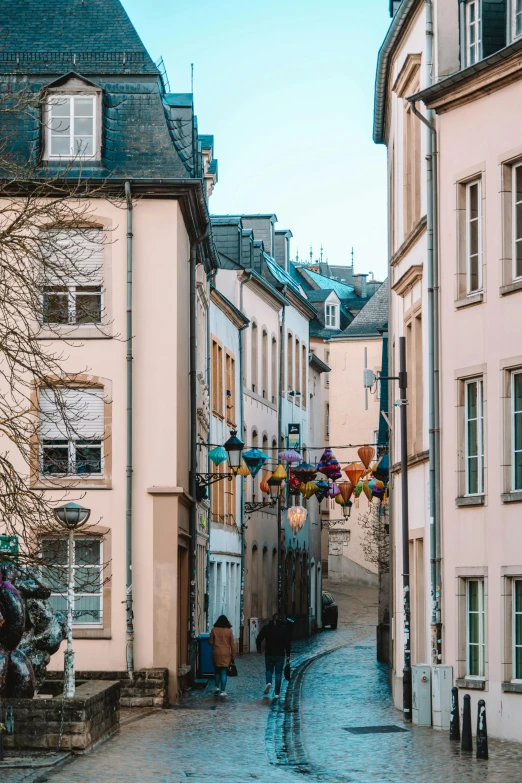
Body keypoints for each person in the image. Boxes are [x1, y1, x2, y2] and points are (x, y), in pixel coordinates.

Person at [256, 613, 291, 699]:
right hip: (280, 654)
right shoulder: (284, 629)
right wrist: (288, 654)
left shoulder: (267, 628)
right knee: (278, 673)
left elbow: (259, 639)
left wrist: (259, 649)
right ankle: (277, 693)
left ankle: (268, 682)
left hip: (269, 653)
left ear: (272, 619)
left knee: (269, 670)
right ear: (280, 620)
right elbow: (287, 643)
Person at [209, 615, 236, 697]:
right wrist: (233, 656)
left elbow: (210, 642)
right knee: (224, 672)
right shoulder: (229, 631)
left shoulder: (214, 630)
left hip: (216, 652)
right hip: (226, 653)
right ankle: (223, 691)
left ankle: (217, 687)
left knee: (217, 671)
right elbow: (232, 645)